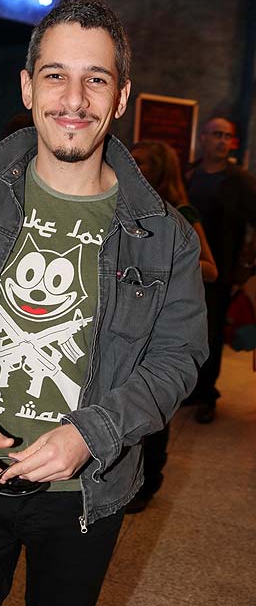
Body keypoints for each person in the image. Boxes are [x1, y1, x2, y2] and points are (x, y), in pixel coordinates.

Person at [0, 0, 208, 604]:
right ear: (28, 87)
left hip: (86, 493)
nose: (74, 100)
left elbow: (177, 359)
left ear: (120, 97)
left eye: (95, 79)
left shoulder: (166, 234)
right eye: (55, 76)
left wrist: (93, 434)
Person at [126, 140, 217, 513]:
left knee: (153, 402)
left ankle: (148, 482)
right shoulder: (124, 206)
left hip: (160, 324)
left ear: (161, 170)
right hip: (128, 322)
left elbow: (211, 269)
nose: (133, 167)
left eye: (142, 162)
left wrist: (165, 266)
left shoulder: (181, 213)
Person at [186, 116, 256, 423]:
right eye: (216, 134)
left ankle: (207, 395)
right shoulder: (190, 174)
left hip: (220, 272)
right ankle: (189, 390)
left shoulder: (239, 180)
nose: (222, 141)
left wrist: (245, 266)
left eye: (227, 136)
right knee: (186, 333)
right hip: (187, 269)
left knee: (211, 336)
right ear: (203, 137)